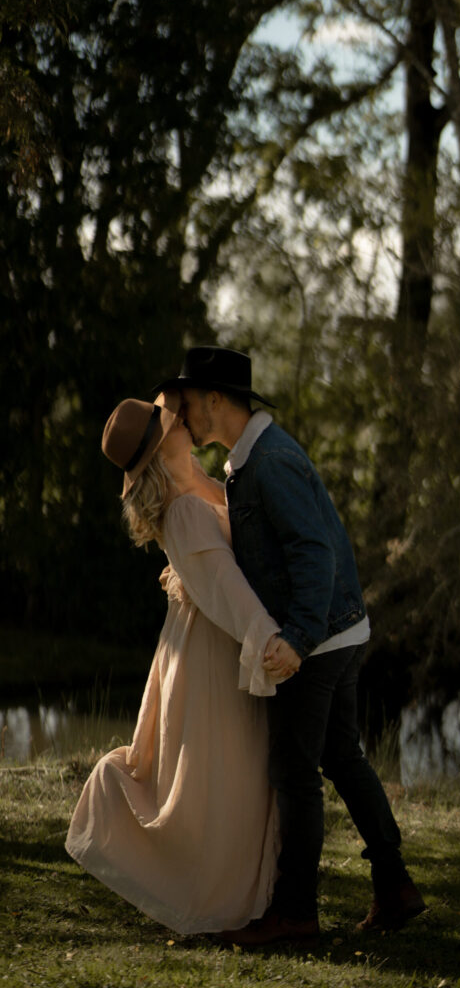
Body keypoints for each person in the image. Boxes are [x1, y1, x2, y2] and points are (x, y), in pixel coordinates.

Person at [153, 346, 425, 947]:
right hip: (339, 630)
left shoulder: (270, 461)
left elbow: (313, 552)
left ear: (215, 400)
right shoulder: (248, 460)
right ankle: (394, 884)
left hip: (318, 639)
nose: (184, 415)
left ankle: (296, 913)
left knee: (294, 774)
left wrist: (297, 639)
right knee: (343, 757)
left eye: (189, 402)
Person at [65, 390, 285, 935]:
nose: (183, 421)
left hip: (212, 636)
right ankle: (214, 893)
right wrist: (270, 639)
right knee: (221, 768)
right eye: (170, 424)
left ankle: (253, 889)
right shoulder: (184, 510)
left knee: (236, 766)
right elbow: (224, 585)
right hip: (209, 648)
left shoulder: (203, 483)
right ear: (163, 448)